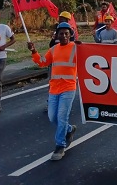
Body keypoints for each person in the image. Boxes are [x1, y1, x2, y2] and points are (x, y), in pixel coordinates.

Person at [27, 22, 78, 161]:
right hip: (54, 88)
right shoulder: (54, 49)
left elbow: (91, 56)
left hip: (68, 88)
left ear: (70, 35)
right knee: (52, 117)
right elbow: (43, 62)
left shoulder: (76, 48)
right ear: (56, 35)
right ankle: (69, 129)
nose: (64, 36)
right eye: (61, 33)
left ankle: (60, 145)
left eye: (66, 33)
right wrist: (33, 51)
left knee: (62, 117)